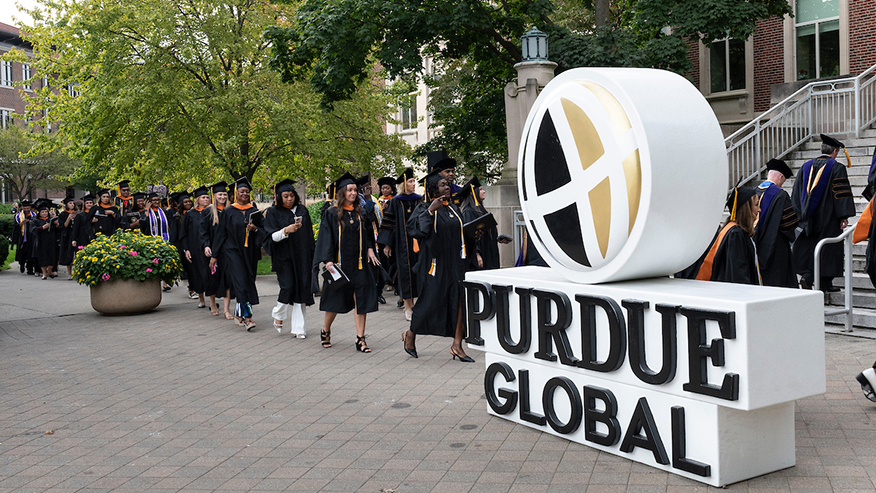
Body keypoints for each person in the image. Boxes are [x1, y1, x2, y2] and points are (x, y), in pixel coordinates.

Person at [403, 168, 476, 362]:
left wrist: (475, 236)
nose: (447, 187)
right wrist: (430, 211)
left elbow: (460, 235)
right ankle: (410, 333)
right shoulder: (423, 207)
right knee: (430, 301)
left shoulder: (453, 208)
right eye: (443, 185)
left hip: (456, 263)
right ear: (434, 189)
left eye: (447, 184)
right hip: (434, 264)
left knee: (460, 300)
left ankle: (457, 345)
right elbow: (417, 231)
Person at [313, 172, 380, 353]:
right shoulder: (331, 213)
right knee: (335, 300)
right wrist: (328, 261)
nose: (353, 193)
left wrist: (370, 249)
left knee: (361, 299)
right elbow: (325, 237)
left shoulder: (361, 213)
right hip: (340, 264)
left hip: (359, 264)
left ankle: (360, 339)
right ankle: (325, 330)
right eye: (349, 190)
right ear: (342, 192)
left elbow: (367, 235)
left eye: (355, 190)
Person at [791, 134, 856, 291]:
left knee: (812, 247)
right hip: (828, 218)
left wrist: (800, 215)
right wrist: (843, 216)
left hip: (808, 218)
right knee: (828, 249)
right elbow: (839, 193)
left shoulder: (805, 166)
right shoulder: (837, 168)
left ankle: (824, 282)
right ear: (834, 151)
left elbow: (796, 193)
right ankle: (810, 277)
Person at [678, 187, 762, 285]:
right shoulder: (736, 235)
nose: (759, 209)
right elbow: (738, 274)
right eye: (756, 205)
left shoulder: (732, 230)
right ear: (746, 209)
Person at [264, 179, 315, 337]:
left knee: (301, 289)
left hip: (302, 257)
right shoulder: (273, 212)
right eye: (285, 196)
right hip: (284, 257)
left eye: (291, 195)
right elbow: (270, 237)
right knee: (287, 287)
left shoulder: (302, 210)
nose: (289, 199)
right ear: (279, 197)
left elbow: (309, 235)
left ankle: (299, 329)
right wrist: (286, 230)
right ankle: (278, 314)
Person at [213, 178, 264, 330]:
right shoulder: (228, 212)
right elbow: (220, 234)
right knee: (241, 284)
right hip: (233, 252)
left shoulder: (254, 212)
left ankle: (238, 314)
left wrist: (255, 229)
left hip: (250, 253)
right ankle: (248, 317)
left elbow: (264, 231)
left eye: (247, 192)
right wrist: (214, 255)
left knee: (248, 283)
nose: (245, 194)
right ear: (236, 193)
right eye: (242, 191)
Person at [377, 168, 421, 320]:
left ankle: (414, 304)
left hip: (417, 243)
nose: (413, 183)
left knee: (417, 273)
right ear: (403, 184)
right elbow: (389, 223)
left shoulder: (418, 200)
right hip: (401, 245)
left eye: (414, 181)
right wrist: (387, 245)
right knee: (405, 274)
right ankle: (408, 306)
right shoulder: (396, 201)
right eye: (410, 181)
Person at [754, 159, 799, 288]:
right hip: (776, 248)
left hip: (755, 246)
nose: (782, 184)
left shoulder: (754, 191)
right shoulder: (780, 195)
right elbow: (788, 225)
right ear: (780, 176)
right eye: (783, 180)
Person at [457, 176, 510, 270]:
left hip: (490, 253)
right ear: (472, 192)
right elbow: (470, 235)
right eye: (481, 189)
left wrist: (496, 238)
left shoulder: (481, 210)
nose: (484, 191)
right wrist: (477, 254)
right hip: (481, 256)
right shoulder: (468, 211)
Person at [201, 182, 232, 317]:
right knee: (212, 278)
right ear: (214, 196)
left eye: (225, 194)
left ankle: (226, 309)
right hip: (212, 249)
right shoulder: (207, 212)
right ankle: (212, 303)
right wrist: (206, 245)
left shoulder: (231, 210)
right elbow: (203, 232)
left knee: (227, 278)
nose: (222, 197)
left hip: (227, 250)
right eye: (220, 194)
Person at [180, 187, 210, 308]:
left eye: (207, 197)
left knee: (209, 274)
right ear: (197, 199)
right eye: (203, 197)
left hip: (208, 248)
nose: (206, 199)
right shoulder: (190, 214)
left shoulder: (211, 212)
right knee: (197, 274)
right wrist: (186, 249)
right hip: (194, 249)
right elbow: (184, 233)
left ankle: (212, 300)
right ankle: (202, 299)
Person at [30, 200, 59, 280]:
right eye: (42, 212)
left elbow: (58, 231)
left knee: (52, 257)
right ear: (39, 213)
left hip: (51, 241)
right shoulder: (35, 220)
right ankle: (44, 274)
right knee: (42, 257)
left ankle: (49, 271)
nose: (44, 213)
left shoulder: (51, 220)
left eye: (46, 212)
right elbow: (32, 230)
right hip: (41, 241)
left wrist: (56, 225)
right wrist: (42, 228)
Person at [13, 200, 36, 275]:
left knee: (30, 254)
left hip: (31, 238)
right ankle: (22, 264)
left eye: (28, 208)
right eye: (25, 208)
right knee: (22, 253)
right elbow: (15, 228)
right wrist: (22, 223)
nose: (26, 210)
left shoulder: (34, 215)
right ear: (22, 208)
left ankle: (30, 269)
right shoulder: (18, 216)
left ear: (30, 208)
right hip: (22, 238)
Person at [57, 197, 78, 277]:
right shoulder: (63, 214)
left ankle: (76, 272)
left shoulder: (77, 214)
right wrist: (69, 218)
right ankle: (69, 273)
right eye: (70, 203)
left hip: (76, 235)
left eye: (73, 203)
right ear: (66, 205)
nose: (72, 204)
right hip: (67, 235)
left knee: (76, 254)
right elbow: (63, 227)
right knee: (68, 254)